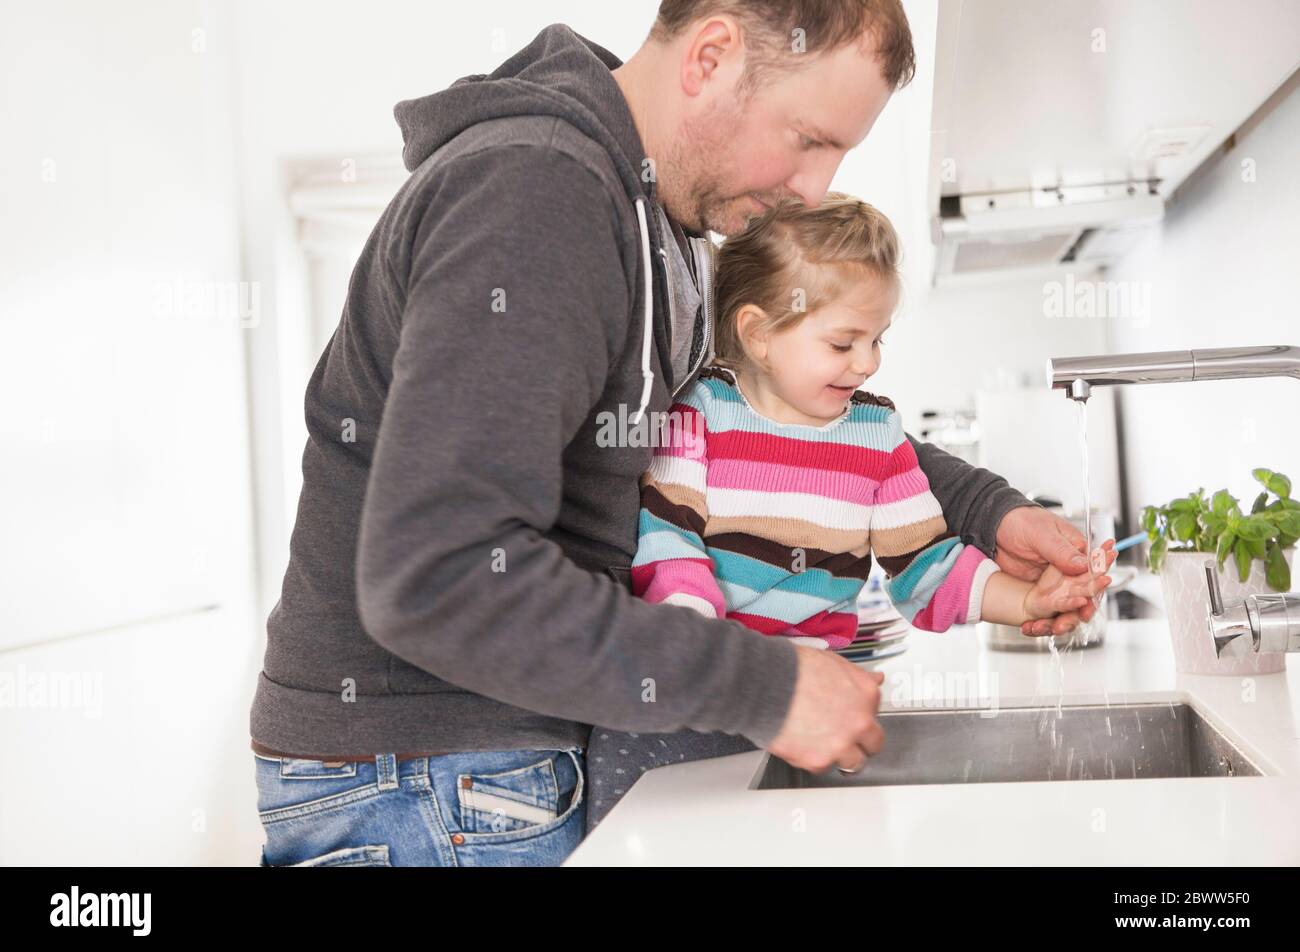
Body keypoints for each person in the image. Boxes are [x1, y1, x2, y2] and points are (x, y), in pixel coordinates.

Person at [249, 2, 1103, 867]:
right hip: (433, 778)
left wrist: (984, 511)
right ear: (713, 54)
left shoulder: (660, 217)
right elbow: (439, 571)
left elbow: (768, 430)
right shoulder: (539, 196)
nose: (814, 186)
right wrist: (765, 685)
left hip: (475, 770)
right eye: (809, 138)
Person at [585, 195, 1117, 829]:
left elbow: (926, 567)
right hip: (688, 708)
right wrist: (719, 672)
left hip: (811, 714)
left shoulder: (876, 435)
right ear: (758, 334)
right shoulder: (696, 417)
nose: (868, 362)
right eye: (843, 341)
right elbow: (672, 553)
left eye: (877, 339)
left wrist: (1024, 602)